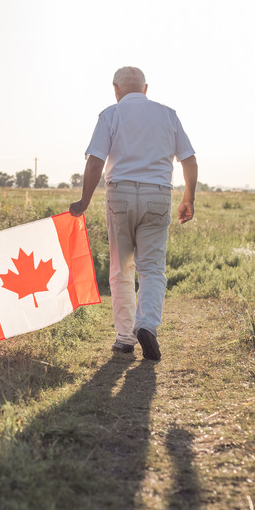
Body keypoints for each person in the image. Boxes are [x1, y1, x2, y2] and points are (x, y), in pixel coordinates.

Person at [69, 66, 198, 361]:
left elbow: (94, 163)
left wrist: (84, 200)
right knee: (152, 267)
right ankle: (148, 326)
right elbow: (189, 160)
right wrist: (188, 197)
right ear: (146, 88)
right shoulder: (168, 114)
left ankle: (125, 337)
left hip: (121, 194)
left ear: (116, 89)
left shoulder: (110, 115)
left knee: (120, 268)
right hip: (158, 195)